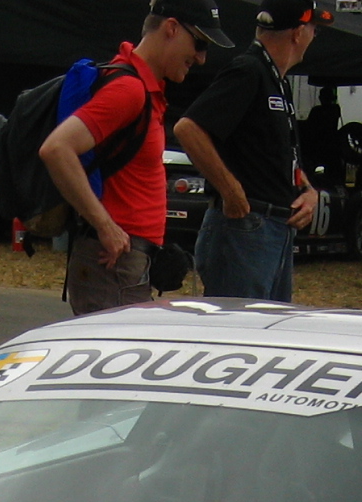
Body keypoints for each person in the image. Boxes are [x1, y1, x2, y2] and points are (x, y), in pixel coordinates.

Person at [38, 1, 231, 316]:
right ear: (171, 28)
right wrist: (104, 225)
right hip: (113, 264)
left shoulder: (144, 88)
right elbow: (57, 149)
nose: (201, 57)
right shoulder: (129, 90)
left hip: (124, 263)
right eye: (199, 43)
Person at [175, 5, 326, 303]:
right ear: (298, 33)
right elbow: (188, 129)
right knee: (241, 328)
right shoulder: (248, 69)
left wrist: (307, 189)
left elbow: (276, 153)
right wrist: (231, 191)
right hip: (246, 226)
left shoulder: (277, 80)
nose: (314, 37)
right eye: (314, 30)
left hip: (272, 228)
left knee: (267, 330)